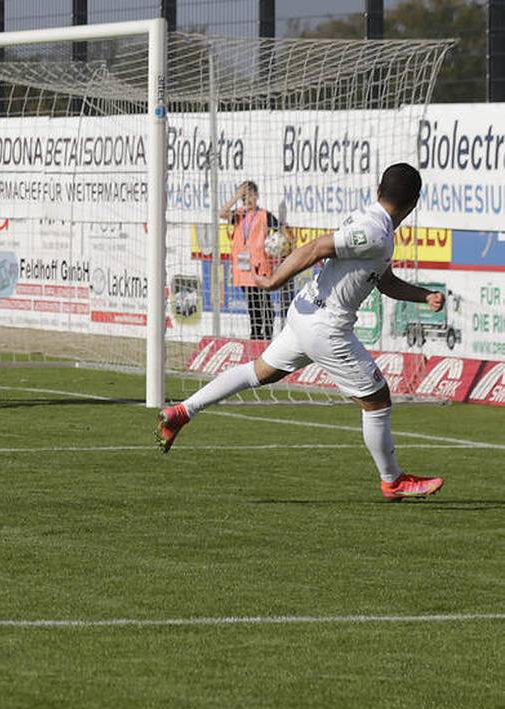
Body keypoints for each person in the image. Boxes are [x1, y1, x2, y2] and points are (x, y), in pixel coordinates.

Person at [157, 163, 445, 502]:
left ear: (378, 189)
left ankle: (182, 411)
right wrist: (273, 280)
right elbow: (315, 249)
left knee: (258, 372)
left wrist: (423, 295)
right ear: (414, 203)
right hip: (327, 327)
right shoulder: (374, 231)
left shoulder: (372, 222)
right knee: (377, 400)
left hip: (306, 315)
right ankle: (392, 481)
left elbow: (384, 281)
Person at [218, 180, 281, 341]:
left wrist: (278, 247)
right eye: (244, 197)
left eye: (250, 195)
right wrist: (236, 196)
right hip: (244, 269)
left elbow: (281, 232)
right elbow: (221, 213)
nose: (248, 200)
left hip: (260, 267)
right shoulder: (239, 214)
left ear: (257, 196)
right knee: (253, 305)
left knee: (265, 305)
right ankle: (255, 337)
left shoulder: (264, 215)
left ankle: (267, 337)